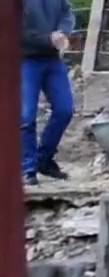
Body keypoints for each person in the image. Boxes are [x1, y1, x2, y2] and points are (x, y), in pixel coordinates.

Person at [21, 0, 76, 186]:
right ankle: (27, 168)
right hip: (23, 60)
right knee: (26, 116)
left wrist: (62, 33)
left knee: (64, 110)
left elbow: (67, 12)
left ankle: (43, 160)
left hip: (52, 60)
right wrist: (48, 39)